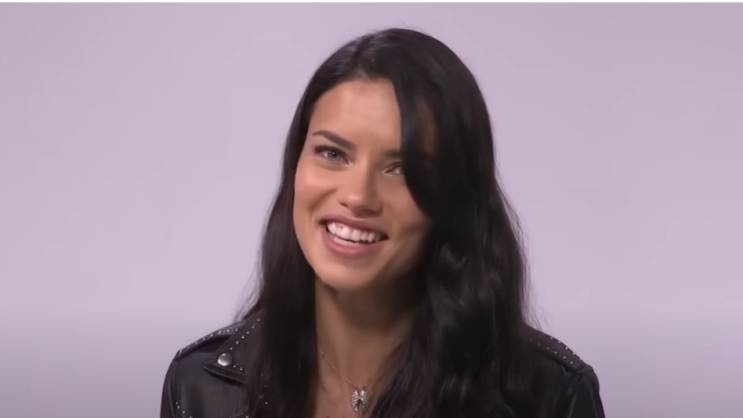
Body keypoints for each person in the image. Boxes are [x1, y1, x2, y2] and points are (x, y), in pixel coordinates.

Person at [160, 28, 605, 418]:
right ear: (296, 165)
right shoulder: (202, 387)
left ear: (454, 197)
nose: (357, 196)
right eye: (332, 154)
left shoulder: (550, 398)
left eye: (402, 168)